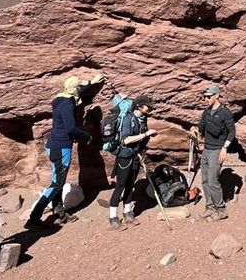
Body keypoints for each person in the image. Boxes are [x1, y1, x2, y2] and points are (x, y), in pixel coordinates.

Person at [26, 73, 103, 230]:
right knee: (57, 184)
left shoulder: (61, 99)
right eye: (78, 87)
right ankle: (34, 218)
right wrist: (86, 135)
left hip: (54, 146)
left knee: (57, 182)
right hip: (61, 148)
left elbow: (77, 89)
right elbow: (70, 129)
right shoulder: (68, 104)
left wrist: (92, 82)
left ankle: (59, 214)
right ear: (74, 90)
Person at [107, 95, 157, 229]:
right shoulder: (129, 118)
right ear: (140, 106)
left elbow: (139, 140)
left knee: (130, 185)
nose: (150, 108)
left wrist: (141, 149)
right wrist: (146, 135)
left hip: (135, 155)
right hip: (125, 157)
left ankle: (128, 213)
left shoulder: (142, 119)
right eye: (148, 105)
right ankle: (112, 217)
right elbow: (126, 140)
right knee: (121, 185)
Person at [191, 84, 236, 221]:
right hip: (206, 150)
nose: (206, 99)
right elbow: (201, 127)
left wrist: (225, 148)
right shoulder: (207, 112)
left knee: (212, 180)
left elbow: (232, 132)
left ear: (216, 96)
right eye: (205, 96)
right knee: (204, 179)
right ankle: (210, 207)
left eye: (208, 96)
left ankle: (221, 209)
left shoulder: (225, 113)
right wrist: (194, 129)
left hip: (217, 150)